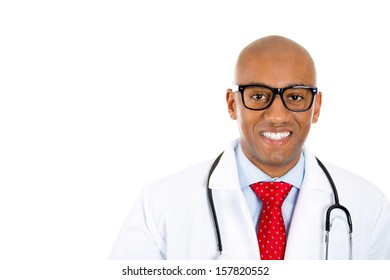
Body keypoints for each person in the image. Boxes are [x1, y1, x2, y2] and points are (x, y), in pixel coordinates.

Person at [110, 35, 390, 260]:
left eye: (295, 96)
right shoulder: (160, 203)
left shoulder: (368, 205)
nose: (277, 115)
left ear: (316, 108)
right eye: (258, 95)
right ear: (233, 104)